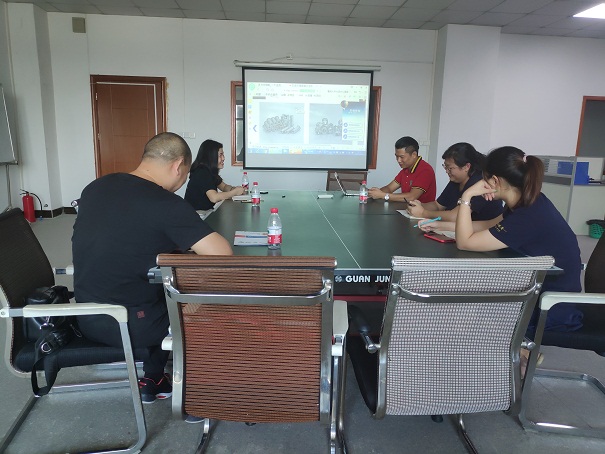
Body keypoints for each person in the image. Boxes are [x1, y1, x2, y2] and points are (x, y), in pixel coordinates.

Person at [72, 132, 232, 404]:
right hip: (133, 325)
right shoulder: (166, 203)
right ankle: (199, 391)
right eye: (185, 175)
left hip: (86, 316)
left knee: (154, 281)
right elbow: (222, 254)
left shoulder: (96, 187)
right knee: (205, 295)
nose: (182, 182)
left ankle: (154, 378)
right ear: (178, 165)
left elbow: (125, 236)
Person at [420, 146, 583, 333]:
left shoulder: (528, 215)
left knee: (466, 310)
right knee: (472, 306)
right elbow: (489, 225)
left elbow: (465, 243)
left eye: (484, 178)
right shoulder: (528, 201)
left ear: (495, 180)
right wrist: (440, 226)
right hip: (535, 288)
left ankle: (513, 347)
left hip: (550, 306)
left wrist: (467, 196)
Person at [407, 142, 504, 221]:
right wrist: (418, 205)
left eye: (450, 168)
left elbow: (454, 216)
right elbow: (438, 205)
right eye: (445, 167)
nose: (447, 171)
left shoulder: (479, 183)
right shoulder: (456, 180)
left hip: (483, 232)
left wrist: (423, 213)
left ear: (466, 167)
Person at [368, 136, 436, 203]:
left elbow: (412, 197)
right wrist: (373, 193)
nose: (398, 160)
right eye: (396, 156)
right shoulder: (406, 169)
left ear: (414, 154)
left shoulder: (425, 170)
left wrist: (383, 195)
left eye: (402, 157)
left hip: (421, 209)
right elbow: (389, 188)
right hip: (407, 208)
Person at [184, 139, 245, 211]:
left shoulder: (209, 171)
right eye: (220, 155)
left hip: (204, 213)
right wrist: (234, 192)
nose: (223, 158)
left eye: (223, 155)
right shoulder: (202, 172)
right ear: (211, 156)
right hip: (196, 214)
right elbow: (214, 198)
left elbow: (224, 187)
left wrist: (234, 189)